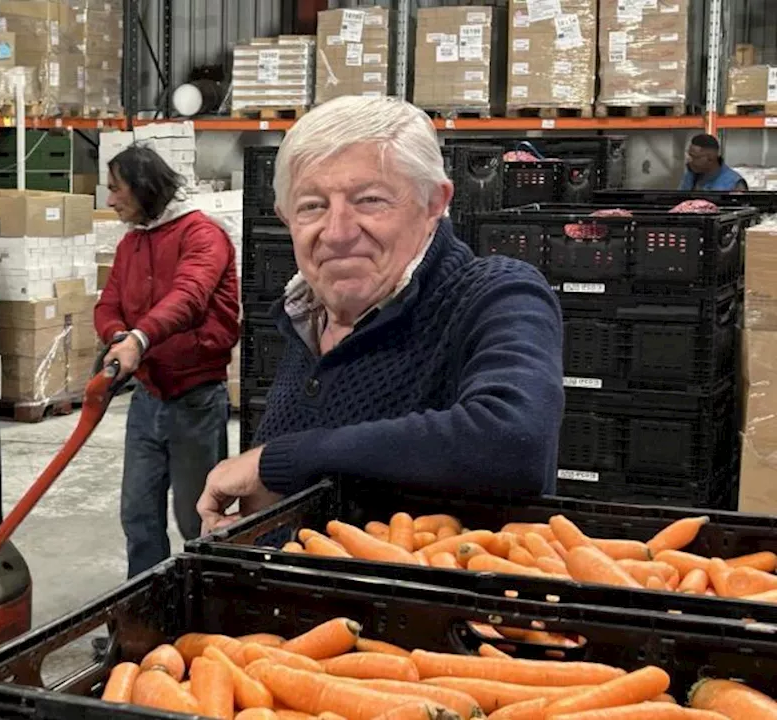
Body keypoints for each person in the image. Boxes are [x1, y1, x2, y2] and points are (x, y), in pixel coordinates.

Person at [195, 95, 566, 532]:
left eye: (369, 200)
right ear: (284, 218)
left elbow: (514, 443)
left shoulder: (496, 294)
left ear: (434, 203)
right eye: (312, 205)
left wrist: (276, 462)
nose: (337, 232)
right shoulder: (310, 316)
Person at [95, 144, 241, 579]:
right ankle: (147, 614)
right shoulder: (131, 244)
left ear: (143, 188)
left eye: (116, 189)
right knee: (138, 514)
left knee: (198, 518)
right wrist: (118, 337)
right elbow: (108, 305)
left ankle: (207, 609)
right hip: (148, 397)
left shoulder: (201, 235)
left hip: (195, 400)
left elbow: (190, 297)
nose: (110, 200)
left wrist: (139, 339)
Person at [679, 134, 748, 191]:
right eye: (689, 156)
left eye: (695, 157)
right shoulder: (690, 176)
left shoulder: (734, 183)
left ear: (710, 158)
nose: (689, 161)